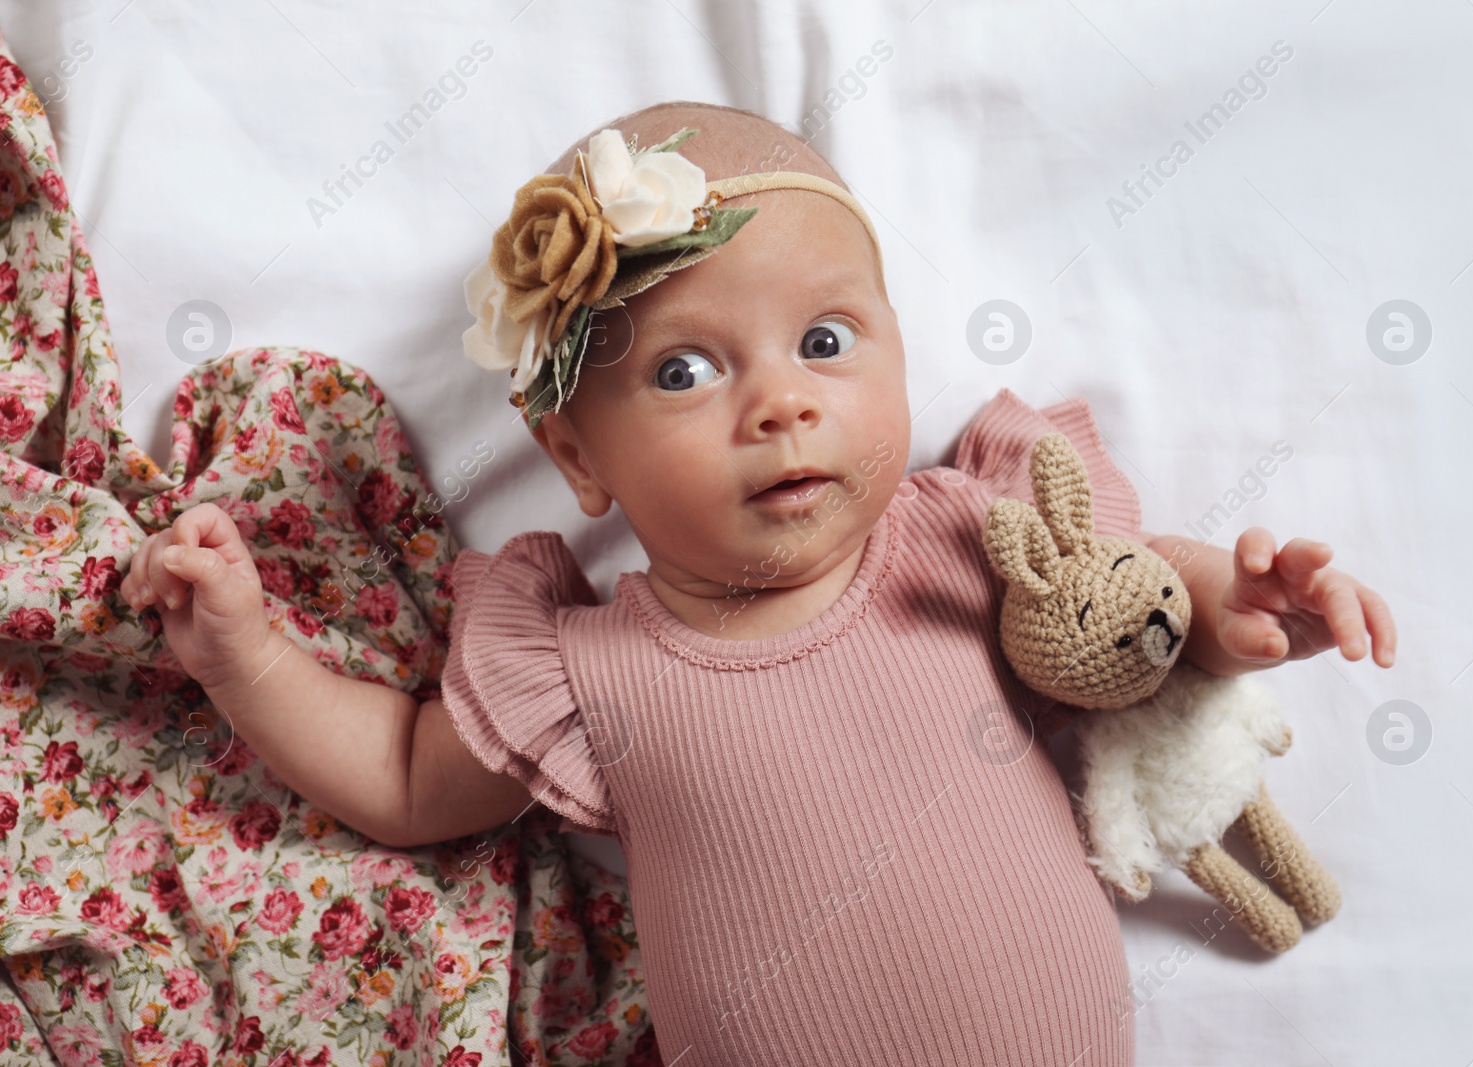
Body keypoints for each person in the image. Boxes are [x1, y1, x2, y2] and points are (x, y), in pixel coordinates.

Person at [121, 100, 1397, 1065]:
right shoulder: (584, 670)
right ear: (575, 454)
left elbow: (1120, 610)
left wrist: (1224, 608)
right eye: (684, 371)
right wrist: (244, 653)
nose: (781, 402)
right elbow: (403, 779)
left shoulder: (962, 541)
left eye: (826, 342)